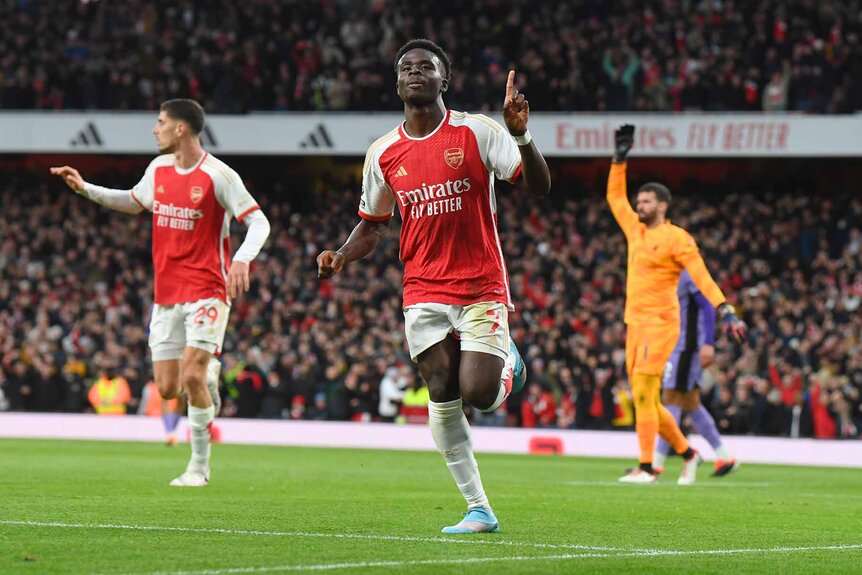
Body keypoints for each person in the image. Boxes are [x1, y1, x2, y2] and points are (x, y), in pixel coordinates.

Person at [317, 39, 550, 533]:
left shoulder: (476, 131)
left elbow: (538, 186)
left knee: (480, 394)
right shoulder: (383, 152)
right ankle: (478, 508)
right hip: (421, 289)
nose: (416, 72)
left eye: (427, 67)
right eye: (407, 68)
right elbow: (374, 224)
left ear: (445, 80)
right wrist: (341, 254)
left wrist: (523, 138)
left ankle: (509, 360)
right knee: (440, 392)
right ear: (397, 82)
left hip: (480, 283)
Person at [50, 99, 270, 486]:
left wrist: (242, 259)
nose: (155, 129)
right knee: (169, 388)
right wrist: (85, 189)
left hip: (208, 289)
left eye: (161, 121)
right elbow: (133, 202)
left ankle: (198, 467)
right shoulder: (159, 169)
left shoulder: (218, 175)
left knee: (192, 373)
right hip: (166, 295)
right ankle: (209, 375)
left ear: (181, 128)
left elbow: (258, 222)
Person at [607, 124, 747, 485]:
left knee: (643, 392)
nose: (639, 205)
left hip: (661, 324)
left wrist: (724, 307)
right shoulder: (635, 231)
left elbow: (701, 277)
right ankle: (688, 453)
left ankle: (649, 467)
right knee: (648, 400)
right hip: (634, 324)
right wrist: (619, 162)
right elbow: (615, 200)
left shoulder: (677, 238)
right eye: (639, 201)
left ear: (662, 205)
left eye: (647, 201)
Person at [653, 271, 739, 477]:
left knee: (670, 399)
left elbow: (708, 304)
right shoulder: (671, 272)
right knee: (691, 404)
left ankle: (655, 464)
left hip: (686, 348)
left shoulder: (687, 273)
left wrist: (708, 343)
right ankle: (724, 456)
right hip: (678, 345)